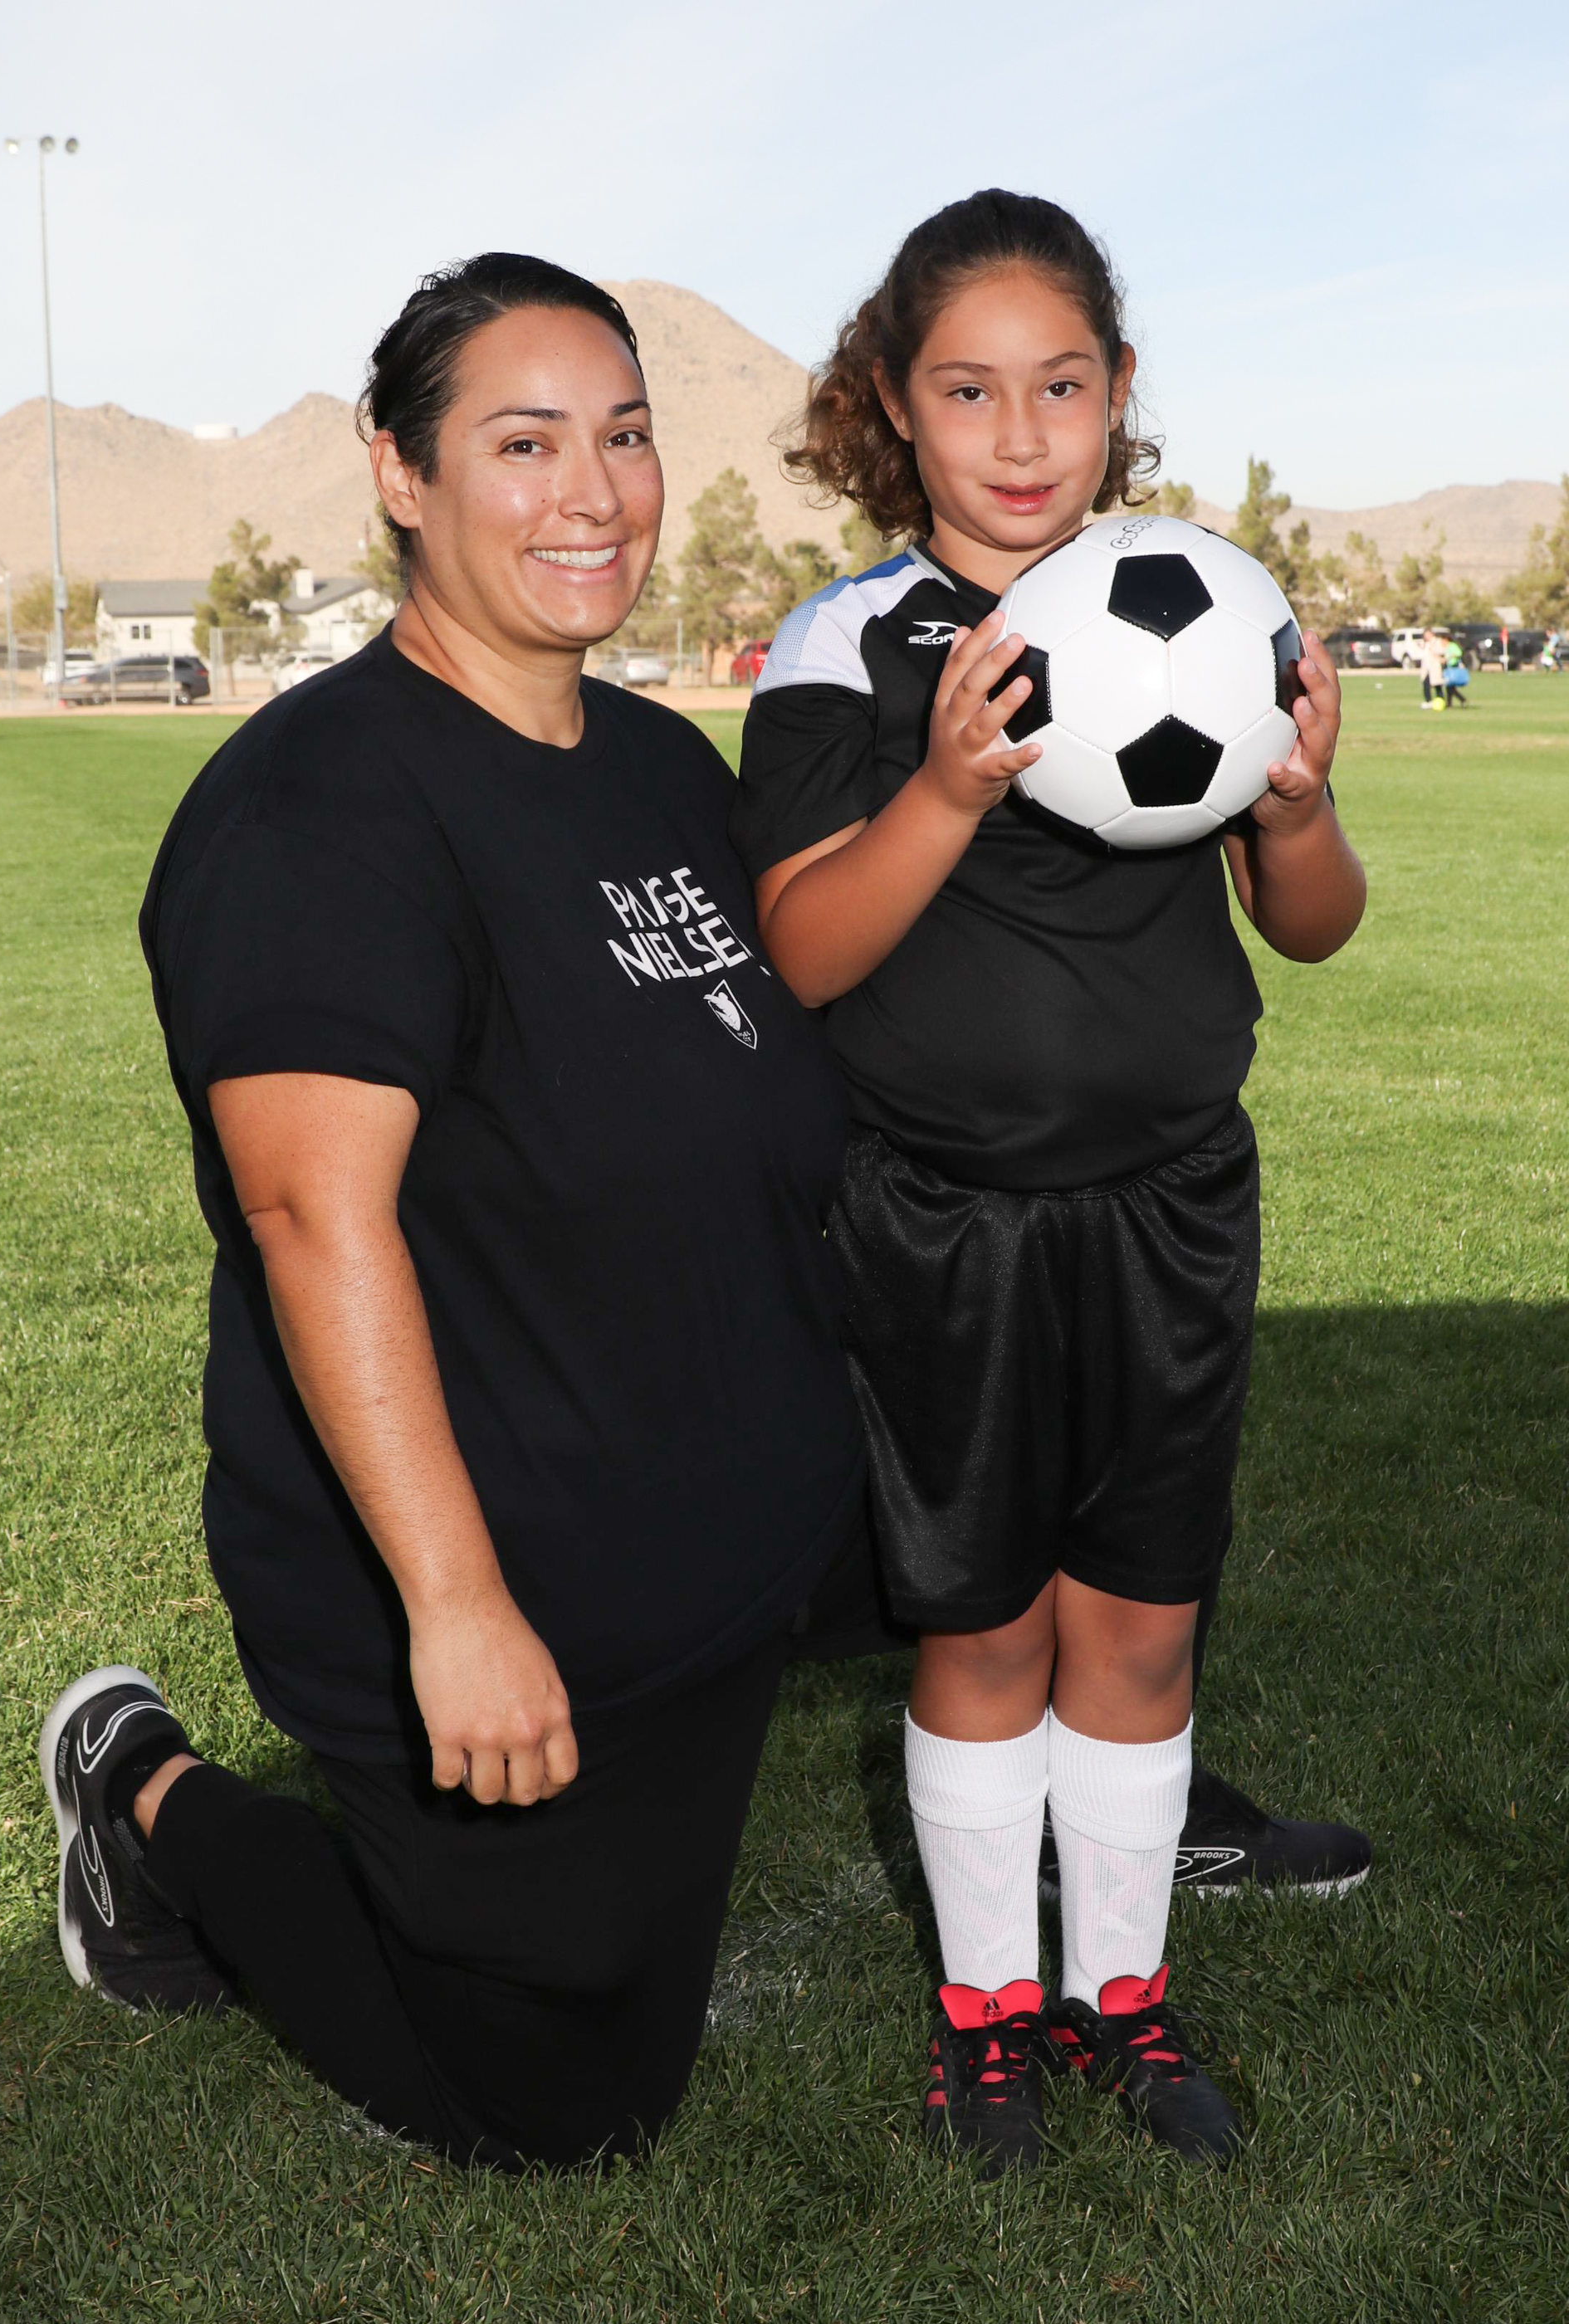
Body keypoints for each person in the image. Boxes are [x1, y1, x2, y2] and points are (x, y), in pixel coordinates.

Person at [36, 254, 867, 2170]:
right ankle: (144, 1792)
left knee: (1034, 1532)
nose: (593, 492)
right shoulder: (317, 812)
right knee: (560, 2099)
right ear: (402, 475)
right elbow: (310, 1220)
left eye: (625, 437)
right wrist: (458, 1608)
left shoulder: (659, 768)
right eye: (524, 443)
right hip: (488, 1575)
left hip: (705, 1542)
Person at [731, 190, 1369, 2171]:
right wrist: (941, 787)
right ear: (892, 408)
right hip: (946, 1222)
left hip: (1171, 1204)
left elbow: (1311, 925)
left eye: (1060, 386)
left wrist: (1300, 806)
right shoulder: (849, 643)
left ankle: (1122, 1996)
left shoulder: (1201, 603)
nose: (1018, 435)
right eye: (967, 390)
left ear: (1117, 393)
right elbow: (803, 951)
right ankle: (984, 2016)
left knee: (1142, 1629)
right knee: (987, 1633)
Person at [1419, 623, 1448, 708]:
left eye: (1428, 634)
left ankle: (1441, 701)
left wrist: (1433, 649)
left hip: (1435, 666)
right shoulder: (1425, 643)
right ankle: (1429, 701)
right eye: (1425, 635)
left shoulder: (1437, 641)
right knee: (1426, 683)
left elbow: (1442, 651)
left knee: (1437, 684)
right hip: (1427, 667)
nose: (1427, 636)